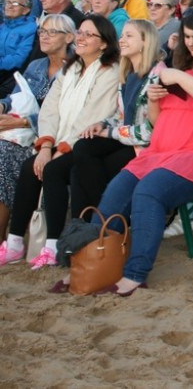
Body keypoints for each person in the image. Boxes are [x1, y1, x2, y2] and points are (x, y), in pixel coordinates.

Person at [63, 5, 193, 295]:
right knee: (115, 193)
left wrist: (179, 78)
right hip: (160, 152)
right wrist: (153, 99)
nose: (190, 42)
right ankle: (91, 260)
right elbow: (158, 122)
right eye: (186, 36)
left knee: (148, 192)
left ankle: (136, 273)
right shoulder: (181, 69)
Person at [0, 15, 119, 268]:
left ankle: (53, 245)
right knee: (29, 167)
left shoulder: (110, 71)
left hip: (88, 142)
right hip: (58, 141)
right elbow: (50, 110)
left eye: (89, 35)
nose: (82, 38)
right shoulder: (71, 68)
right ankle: (13, 243)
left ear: (104, 44)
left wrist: (61, 149)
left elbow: (93, 114)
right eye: (81, 32)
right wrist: (46, 146)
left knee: (53, 170)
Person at [59, 20, 162, 239]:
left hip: (147, 148)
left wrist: (111, 132)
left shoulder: (158, 75)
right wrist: (103, 124)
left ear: (146, 42)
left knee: (84, 156)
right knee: (82, 156)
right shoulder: (127, 73)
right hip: (127, 141)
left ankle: (105, 224)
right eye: (122, 35)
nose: (122, 40)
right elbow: (120, 116)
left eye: (129, 36)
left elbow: (150, 131)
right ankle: (85, 234)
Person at [0, 15, 75, 241]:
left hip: (50, 136)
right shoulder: (36, 65)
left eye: (52, 32)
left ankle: (4, 237)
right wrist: (3, 105)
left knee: (2, 155)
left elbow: (67, 113)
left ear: (69, 37)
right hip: (20, 131)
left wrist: (25, 122)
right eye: (42, 31)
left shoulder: (75, 69)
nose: (44, 36)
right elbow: (17, 96)